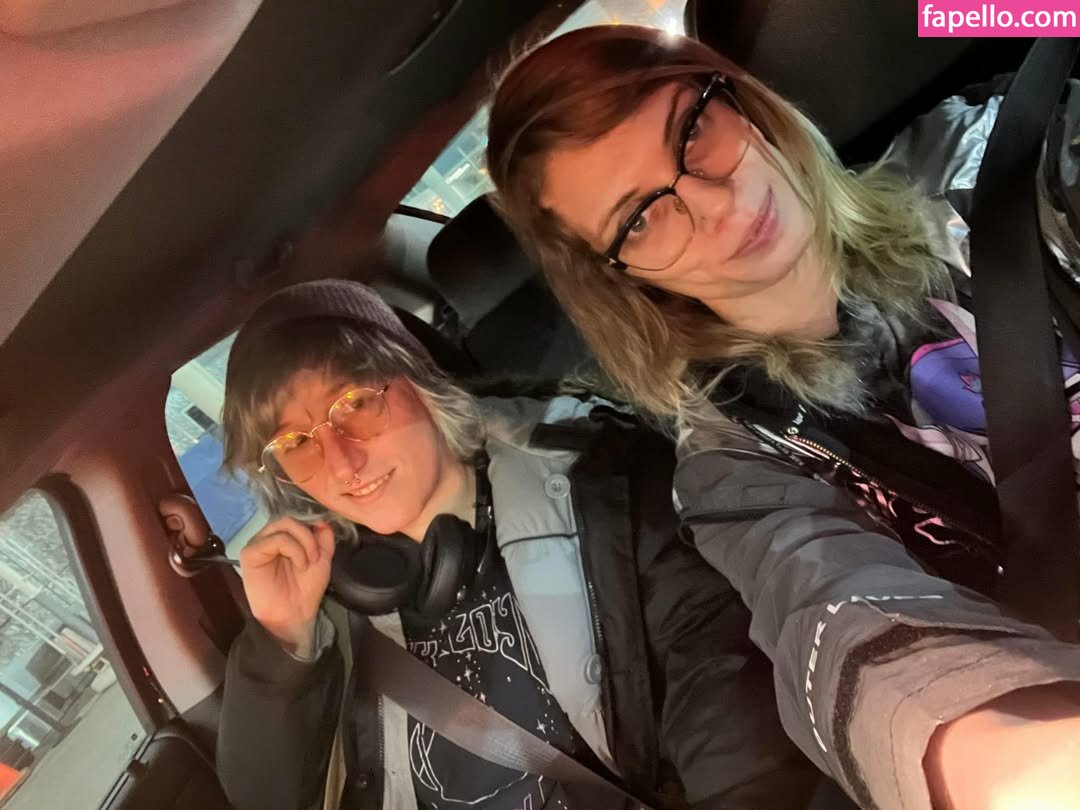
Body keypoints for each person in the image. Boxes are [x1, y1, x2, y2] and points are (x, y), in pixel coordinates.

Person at [486, 24, 1080, 810]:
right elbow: (829, 610)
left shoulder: (990, 163)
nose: (715, 203)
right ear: (619, 277)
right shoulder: (731, 460)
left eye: (692, 130)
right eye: (640, 219)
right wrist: (984, 753)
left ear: (740, 102)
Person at [213, 279, 824, 810]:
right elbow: (263, 799)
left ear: (418, 379)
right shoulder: (328, 589)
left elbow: (722, 698)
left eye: (354, 403)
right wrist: (281, 643)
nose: (341, 461)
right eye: (295, 443)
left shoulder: (601, 481)